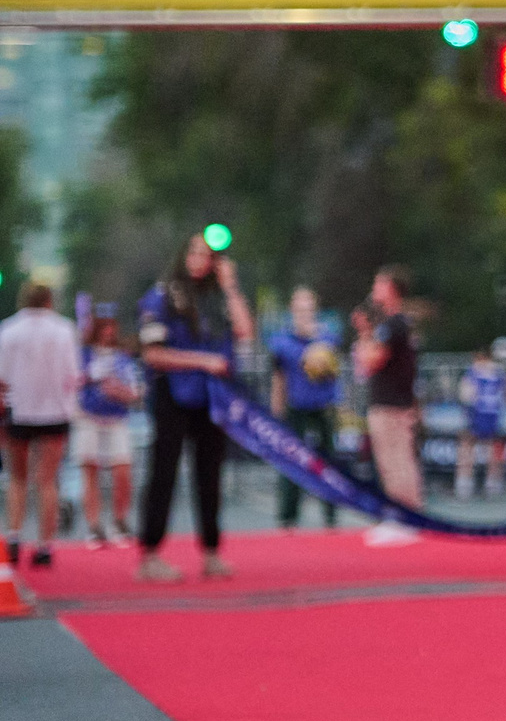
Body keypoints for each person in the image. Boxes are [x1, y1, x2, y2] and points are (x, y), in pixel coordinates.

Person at [134, 234, 255, 583]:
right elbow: (153, 353)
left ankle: (212, 552)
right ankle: (151, 554)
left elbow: (245, 330)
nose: (200, 259)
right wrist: (202, 361)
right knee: (164, 472)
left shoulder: (216, 300)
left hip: (212, 397)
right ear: (183, 254)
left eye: (208, 255)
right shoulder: (161, 296)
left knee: (210, 474)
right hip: (172, 393)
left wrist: (230, 286)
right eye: (195, 251)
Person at [0, 281, 82, 569]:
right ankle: (45, 545)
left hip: (19, 410)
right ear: (49, 300)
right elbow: (73, 373)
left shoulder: (8, 330)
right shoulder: (63, 329)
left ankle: (13, 536)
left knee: (18, 478)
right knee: (47, 480)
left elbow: (2, 376)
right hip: (53, 413)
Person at [354, 266, 425, 546]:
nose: (374, 287)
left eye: (379, 283)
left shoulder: (393, 325)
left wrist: (363, 334)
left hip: (392, 403)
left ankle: (406, 517)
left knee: (397, 462)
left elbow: (372, 360)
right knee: (390, 461)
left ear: (392, 290)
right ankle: (400, 515)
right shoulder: (394, 324)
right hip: (390, 401)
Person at [268, 286, 345, 529]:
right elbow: (278, 377)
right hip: (296, 406)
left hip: (323, 407)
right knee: (292, 462)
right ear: (292, 310)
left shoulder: (328, 338)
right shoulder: (281, 341)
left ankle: (331, 516)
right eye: (299, 309)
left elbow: (334, 368)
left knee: (328, 463)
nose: (304, 314)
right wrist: (276, 410)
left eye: (308, 309)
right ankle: (288, 517)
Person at [72, 314, 141, 547]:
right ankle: (93, 526)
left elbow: (136, 393)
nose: (108, 333)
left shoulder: (123, 359)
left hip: (116, 419)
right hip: (88, 418)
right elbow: (71, 382)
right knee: (90, 470)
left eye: (112, 328)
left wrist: (118, 390)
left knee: (122, 471)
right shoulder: (82, 356)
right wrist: (90, 377)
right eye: (104, 328)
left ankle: (119, 521)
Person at [456, 349, 506, 499]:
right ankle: (493, 483)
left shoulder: (472, 373)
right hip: (493, 416)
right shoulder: (499, 374)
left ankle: (464, 483)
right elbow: (505, 396)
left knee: (466, 446)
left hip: (476, 415)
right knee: (494, 447)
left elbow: (465, 397)